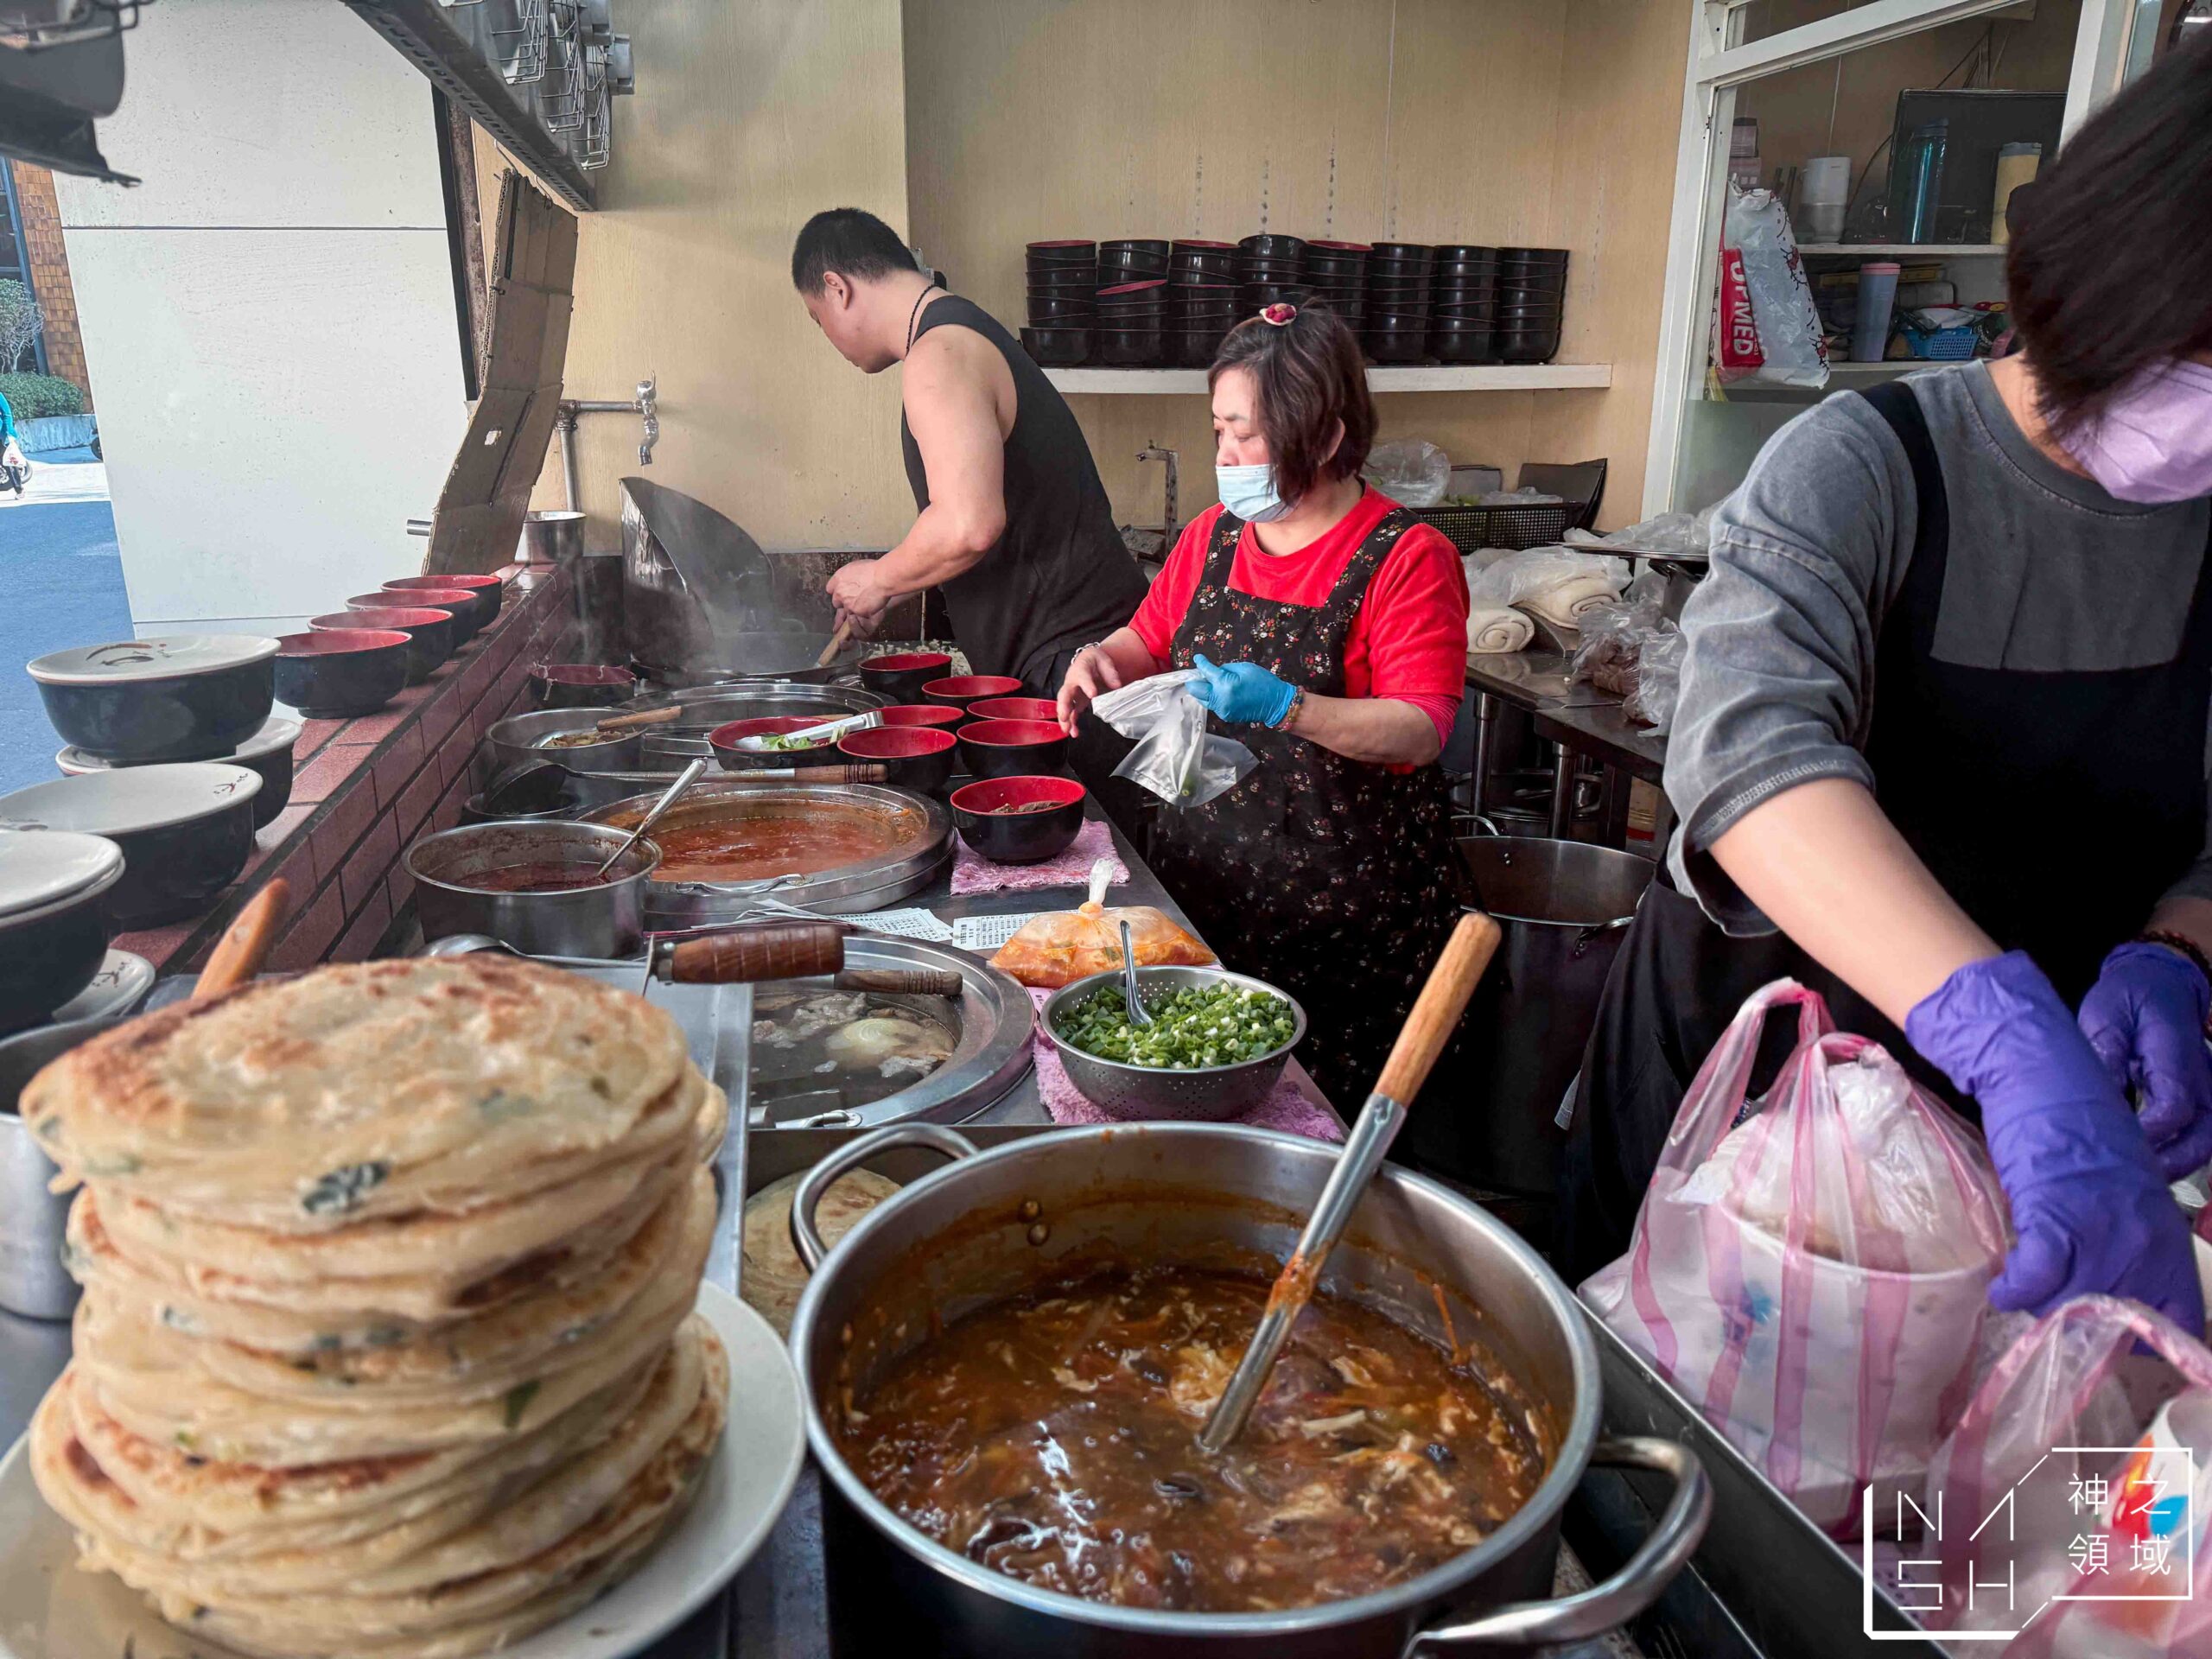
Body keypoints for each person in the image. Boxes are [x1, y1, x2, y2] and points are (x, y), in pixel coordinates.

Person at [1559, 31, 2212, 1338]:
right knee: (1685, 1461)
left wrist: (2177, 946)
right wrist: (2005, 1033)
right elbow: (1752, 767)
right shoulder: (1866, 466)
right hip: (1760, 1107)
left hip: (2041, 1144)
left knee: (1949, 1521)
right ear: (2112, 291)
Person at [1058, 304, 1471, 1107]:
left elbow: (1422, 728)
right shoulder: (1214, 536)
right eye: (1219, 431)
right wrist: (1098, 657)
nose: (1226, 455)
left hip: (1344, 925)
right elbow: (1148, 637)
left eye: (1246, 435)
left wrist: (1289, 705)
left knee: (1319, 1130)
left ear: (1323, 436)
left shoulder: (1407, 558)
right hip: (1203, 893)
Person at [791, 208, 1148, 821]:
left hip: (1076, 671)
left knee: (1111, 890)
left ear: (837, 288)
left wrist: (877, 577)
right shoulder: (963, 333)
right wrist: (894, 580)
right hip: (1086, 657)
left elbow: (968, 523)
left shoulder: (938, 355)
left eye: (816, 318)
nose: (827, 336)